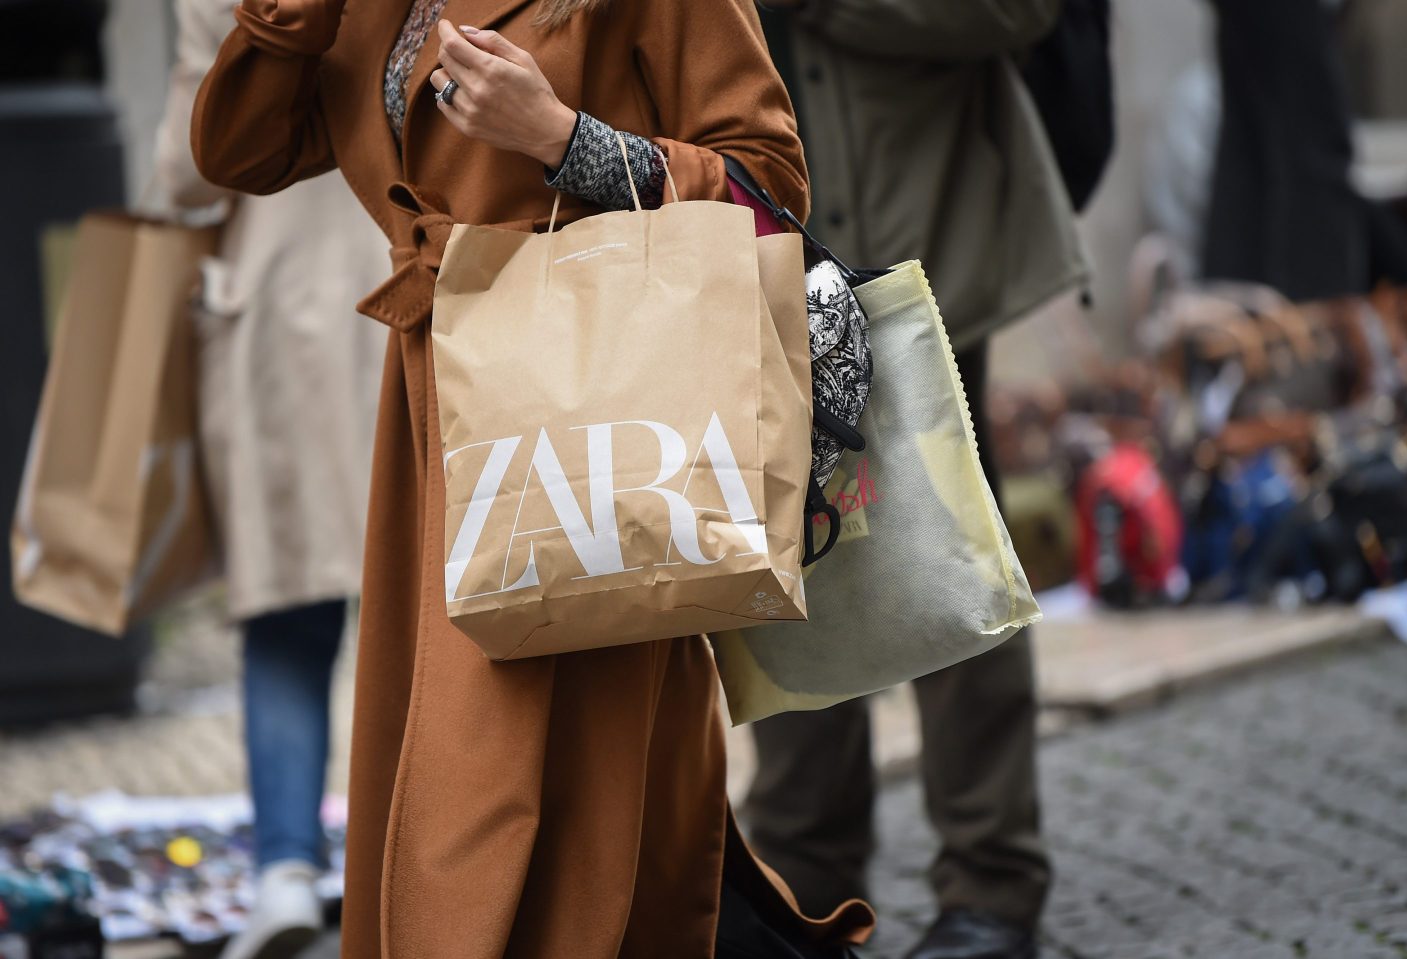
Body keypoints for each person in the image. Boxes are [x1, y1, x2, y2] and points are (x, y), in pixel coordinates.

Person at [189, 1, 874, 956]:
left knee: (572, 817)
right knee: (449, 785)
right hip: (442, 417)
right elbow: (239, 153)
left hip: (593, 418)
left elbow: (768, 181)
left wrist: (562, 139)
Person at [744, 3, 1088, 958]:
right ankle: (802, 881)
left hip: (921, 244)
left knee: (945, 553)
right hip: (753, 250)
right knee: (785, 563)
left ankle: (992, 884)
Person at [150, 1, 391, 956]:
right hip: (413, 277)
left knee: (287, 611)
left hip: (277, 308)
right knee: (428, 611)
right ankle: (407, 861)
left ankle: (286, 872)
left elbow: (188, 170)